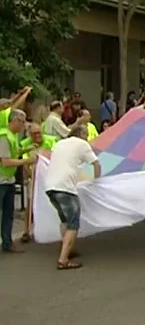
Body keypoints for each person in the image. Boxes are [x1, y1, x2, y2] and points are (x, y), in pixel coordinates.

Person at [44, 125, 101, 270]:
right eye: (86, 134)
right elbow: (96, 163)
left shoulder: (59, 143)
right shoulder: (82, 144)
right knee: (73, 223)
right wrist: (97, 181)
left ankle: (67, 248)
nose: (88, 137)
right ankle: (63, 259)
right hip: (66, 188)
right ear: (81, 134)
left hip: (50, 187)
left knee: (64, 220)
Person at [0, 109, 38, 253]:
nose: (24, 126)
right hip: (2, 180)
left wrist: (25, 150)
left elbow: (13, 153)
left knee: (8, 214)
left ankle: (7, 243)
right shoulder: (4, 136)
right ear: (14, 120)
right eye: (22, 122)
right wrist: (26, 160)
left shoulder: (12, 136)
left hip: (8, 180)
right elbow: (6, 161)